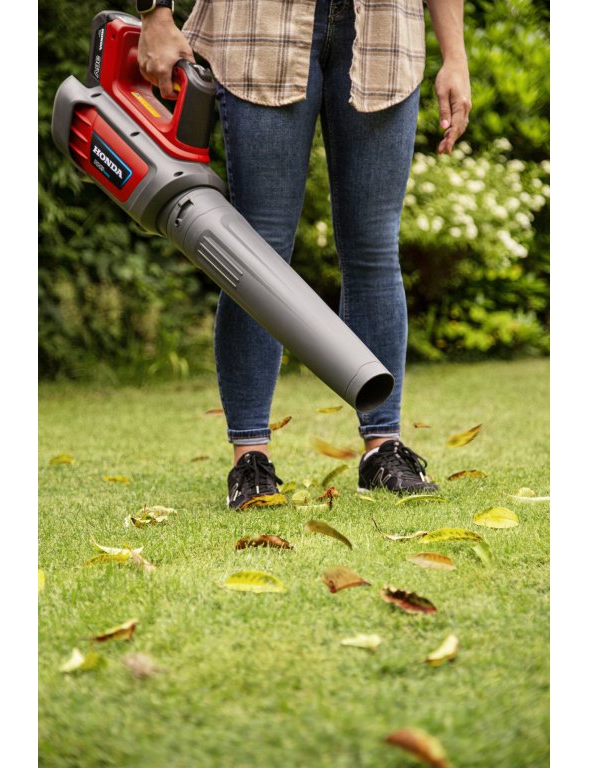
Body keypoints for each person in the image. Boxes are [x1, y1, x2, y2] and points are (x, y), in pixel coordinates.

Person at [137, 0, 471, 509]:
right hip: (258, 25)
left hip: (385, 30)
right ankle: (250, 459)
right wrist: (155, 15)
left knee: (374, 250)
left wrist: (455, 55)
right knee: (256, 254)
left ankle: (383, 450)